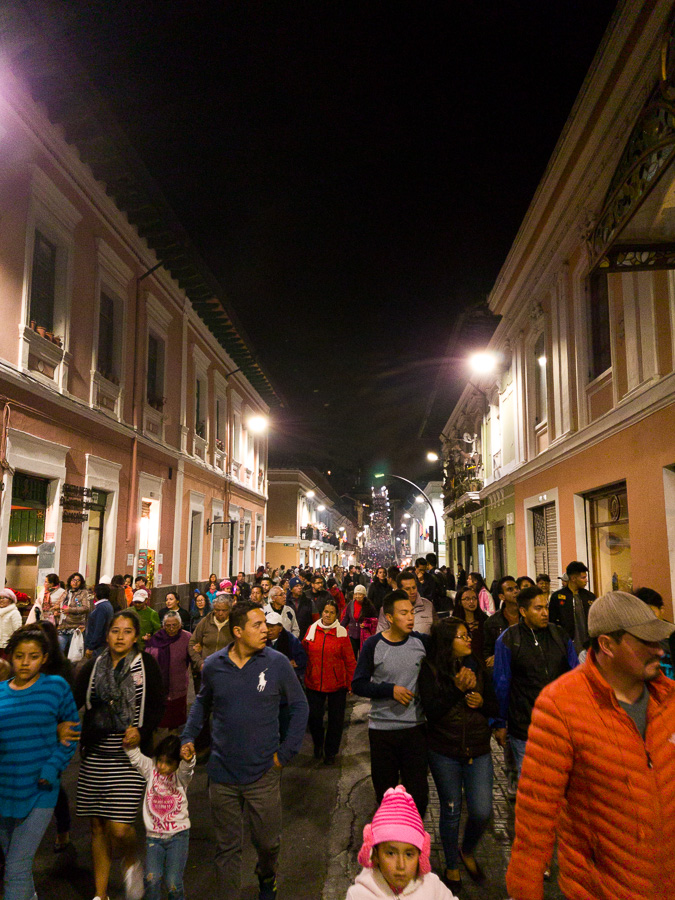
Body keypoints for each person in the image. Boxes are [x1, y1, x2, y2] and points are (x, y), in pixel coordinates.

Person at [506, 591, 675, 900]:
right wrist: (525, 888)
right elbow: (536, 815)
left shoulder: (670, 700)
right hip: (602, 889)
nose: (659, 652)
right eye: (645, 643)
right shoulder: (562, 705)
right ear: (607, 645)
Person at [181, 600, 309, 900]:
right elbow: (202, 702)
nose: (266, 630)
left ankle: (266, 874)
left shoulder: (275, 663)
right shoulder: (214, 665)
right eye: (258, 625)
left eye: (266, 624)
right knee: (227, 848)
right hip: (222, 775)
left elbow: (299, 705)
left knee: (268, 843)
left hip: (263, 774)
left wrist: (285, 753)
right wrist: (188, 736)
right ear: (238, 632)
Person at [75, 609, 166, 900]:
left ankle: (130, 858)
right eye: (115, 631)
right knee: (97, 825)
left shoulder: (145, 665)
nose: (120, 637)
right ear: (107, 634)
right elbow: (74, 699)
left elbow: (156, 705)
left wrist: (142, 730)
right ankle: (100, 894)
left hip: (129, 755)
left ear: (136, 637)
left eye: (127, 631)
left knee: (119, 828)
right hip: (95, 753)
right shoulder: (93, 666)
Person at [0, 626, 79, 900]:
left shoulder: (55, 687)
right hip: (5, 790)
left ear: (44, 657)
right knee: (15, 863)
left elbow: (72, 732)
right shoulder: (0, 692)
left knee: (16, 868)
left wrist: (52, 767)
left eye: (32, 656)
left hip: (40, 791)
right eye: (19, 656)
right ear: (10, 656)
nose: (25, 662)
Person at [419, 618, 497, 892]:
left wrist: (482, 703)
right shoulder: (430, 669)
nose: (467, 640)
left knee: (481, 810)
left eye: (468, 636)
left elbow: (494, 705)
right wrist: (458, 689)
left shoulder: (477, 664)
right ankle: (452, 864)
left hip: (478, 749)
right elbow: (432, 710)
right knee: (451, 810)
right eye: (461, 636)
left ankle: (468, 848)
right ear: (447, 641)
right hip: (444, 750)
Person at [352, 590, 429, 816]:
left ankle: (413, 846)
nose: (411, 618)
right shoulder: (374, 645)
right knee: (385, 797)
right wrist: (389, 690)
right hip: (382, 731)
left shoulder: (421, 643)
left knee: (418, 798)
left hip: (415, 729)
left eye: (412, 612)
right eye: (404, 613)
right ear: (390, 617)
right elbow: (358, 684)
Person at [493, 585, 578, 777]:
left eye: (546, 607)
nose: (545, 613)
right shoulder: (508, 640)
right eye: (538, 608)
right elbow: (501, 684)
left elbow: (575, 675)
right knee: (533, 785)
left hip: (560, 727)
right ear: (523, 611)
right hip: (525, 728)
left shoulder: (559, 635)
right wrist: (500, 723)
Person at [347, 785, 457, 900]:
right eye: (390, 853)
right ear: (375, 854)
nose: (401, 865)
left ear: (420, 855)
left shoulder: (433, 887)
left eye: (409, 854)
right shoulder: (358, 895)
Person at [125, 735, 195, 900]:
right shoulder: (151, 770)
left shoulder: (181, 777)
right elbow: (136, 758)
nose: (162, 766)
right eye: (160, 760)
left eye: (168, 762)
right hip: (154, 839)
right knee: (152, 879)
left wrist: (189, 759)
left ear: (177, 763)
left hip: (178, 837)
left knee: (173, 883)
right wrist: (129, 744)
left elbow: (187, 768)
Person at [303, 598, 356, 764]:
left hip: (337, 685)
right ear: (322, 612)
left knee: (336, 721)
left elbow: (350, 660)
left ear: (336, 615)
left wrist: (351, 682)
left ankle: (331, 752)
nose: (328, 615)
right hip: (314, 683)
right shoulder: (311, 630)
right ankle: (318, 745)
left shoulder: (341, 633)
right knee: (314, 718)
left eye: (332, 613)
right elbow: (304, 653)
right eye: (326, 611)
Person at [146, 611, 192, 732]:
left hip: (178, 684)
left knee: (177, 720)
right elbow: (149, 660)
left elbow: (193, 657)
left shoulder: (187, 638)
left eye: (175, 625)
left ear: (180, 625)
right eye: (168, 625)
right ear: (163, 626)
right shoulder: (156, 639)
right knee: (162, 720)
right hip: (160, 687)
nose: (171, 628)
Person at [548, 560, 596, 653]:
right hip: (566, 646)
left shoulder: (590, 596)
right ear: (573, 578)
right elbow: (552, 622)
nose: (586, 580)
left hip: (588, 645)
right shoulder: (557, 597)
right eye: (583, 578)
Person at [376, 571, 436, 635]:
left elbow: (436, 631)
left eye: (414, 588)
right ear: (399, 590)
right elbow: (381, 635)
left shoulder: (428, 605)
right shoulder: (387, 608)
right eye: (407, 589)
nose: (412, 592)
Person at [188, 595, 233, 674]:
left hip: (227, 670)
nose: (220, 613)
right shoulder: (205, 622)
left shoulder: (233, 624)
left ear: (229, 610)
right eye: (217, 610)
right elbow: (192, 643)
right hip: (207, 668)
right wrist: (200, 663)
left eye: (224, 610)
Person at [481, 575, 519, 666]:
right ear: (502, 596)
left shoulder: (528, 616)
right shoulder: (492, 622)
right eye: (510, 589)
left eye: (516, 588)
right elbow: (487, 652)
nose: (516, 591)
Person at [265, 611, 307, 682]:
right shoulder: (262, 639)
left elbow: (302, 659)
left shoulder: (291, 640)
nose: (269, 631)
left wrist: (294, 663)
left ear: (280, 628)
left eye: (272, 627)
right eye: (267, 627)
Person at [58, 573, 91, 655]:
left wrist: (70, 610)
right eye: (73, 580)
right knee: (59, 650)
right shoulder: (66, 592)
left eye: (78, 580)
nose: (75, 582)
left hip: (76, 626)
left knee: (73, 653)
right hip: (63, 626)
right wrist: (56, 609)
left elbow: (86, 608)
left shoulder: (83, 593)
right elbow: (59, 603)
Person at [452, 587, 487, 660]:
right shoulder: (454, 623)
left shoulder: (485, 621)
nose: (472, 601)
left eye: (474, 598)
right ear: (459, 602)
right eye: (467, 599)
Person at [84, 583, 115, 659]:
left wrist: (91, 647)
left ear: (95, 594)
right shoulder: (107, 605)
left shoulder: (101, 607)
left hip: (98, 647)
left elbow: (98, 629)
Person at [342, 585, 369, 658]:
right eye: (356, 594)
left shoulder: (368, 605)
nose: (358, 596)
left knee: (363, 656)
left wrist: (366, 624)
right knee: (352, 656)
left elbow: (374, 619)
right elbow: (346, 618)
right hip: (352, 634)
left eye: (360, 594)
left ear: (364, 595)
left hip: (363, 635)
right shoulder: (351, 604)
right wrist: (340, 628)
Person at [0, 589, 23, 653]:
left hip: (7, 647)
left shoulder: (14, 613)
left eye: (4, 598)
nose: (1, 600)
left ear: (11, 600)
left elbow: (17, 631)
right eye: (0, 598)